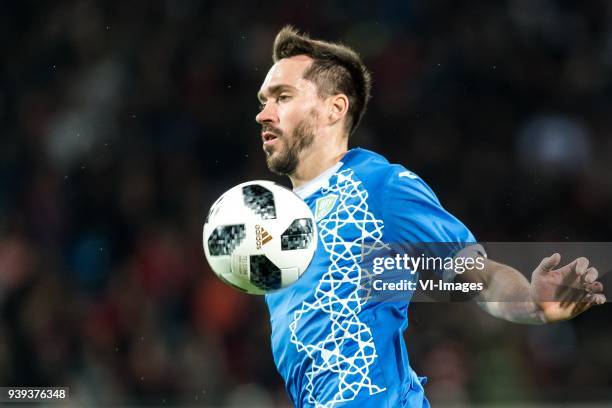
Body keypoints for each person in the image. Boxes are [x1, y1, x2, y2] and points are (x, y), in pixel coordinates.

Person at [255, 26, 606, 408]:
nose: (263, 114)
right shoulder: (280, 222)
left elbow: (476, 278)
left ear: (334, 109)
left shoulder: (378, 186)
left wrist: (531, 304)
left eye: (282, 97)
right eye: (264, 100)